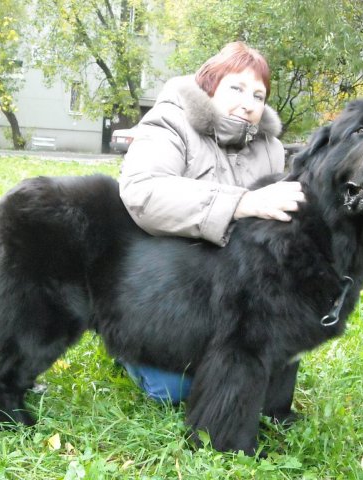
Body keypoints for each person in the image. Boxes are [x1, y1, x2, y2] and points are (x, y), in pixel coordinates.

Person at [118, 41, 305, 404]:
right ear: (210, 87)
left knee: (252, 381)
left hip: (227, 293)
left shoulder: (271, 149)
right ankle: (126, 349)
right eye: (236, 88)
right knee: (178, 391)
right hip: (165, 288)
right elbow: (143, 192)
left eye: (258, 95)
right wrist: (241, 203)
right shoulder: (171, 122)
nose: (248, 103)